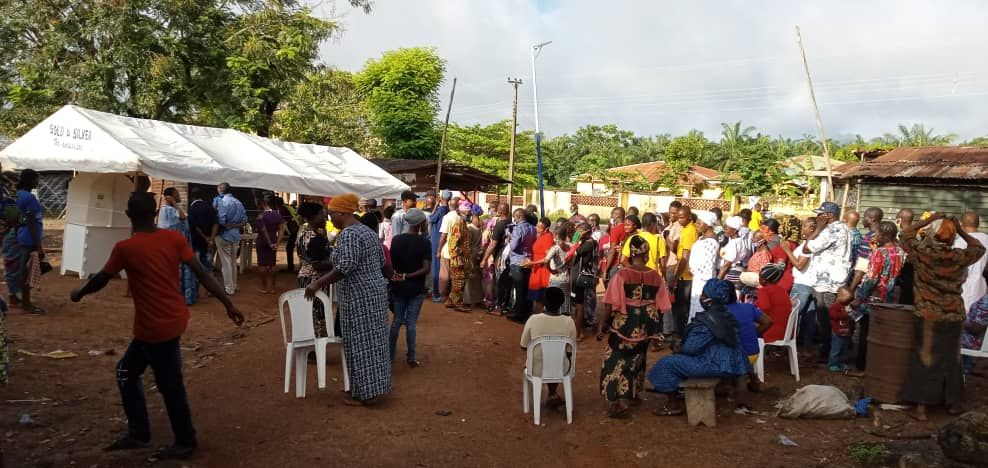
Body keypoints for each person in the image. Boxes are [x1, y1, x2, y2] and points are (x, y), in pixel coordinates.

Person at [70, 192, 244, 461]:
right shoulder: (173, 239)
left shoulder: (125, 249)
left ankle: (182, 440)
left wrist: (79, 293)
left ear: (128, 215)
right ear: (155, 213)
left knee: (166, 383)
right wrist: (227, 304)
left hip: (155, 326)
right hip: (171, 319)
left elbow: (102, 279)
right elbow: (202, 273)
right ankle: (142, 433)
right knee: (129, 371)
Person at [305, 194, 393, 406]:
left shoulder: (350, 234)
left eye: (332, 214)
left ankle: (365, 394)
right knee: (375, 343)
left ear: (342, 213)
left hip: (359, 297)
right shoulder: (368, 232)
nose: (330, 219)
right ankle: (372, 389)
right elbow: (384, 264)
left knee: (359, 344)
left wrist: (317, 283)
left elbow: (344, 267)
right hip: (374, 294)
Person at [900, 214, 984, 420]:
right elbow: (978, 247)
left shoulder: (923, 253)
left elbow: (905, 234)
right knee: (951, 358)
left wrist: (930, 219)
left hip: (928, 315)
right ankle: (954, 404)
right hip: (954, 314)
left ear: (933, 234)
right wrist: (960, 229)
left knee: (925, 358)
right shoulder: (958, 256)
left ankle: (921, 408)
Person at [646, 279, 750, 417]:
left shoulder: (708, 321)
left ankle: (672, 405)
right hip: (733, 363)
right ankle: (678, 389)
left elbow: (690, 348)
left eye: (704, 295)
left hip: (716, 365)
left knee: (666, 364)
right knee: (680, 360)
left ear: (711, 298)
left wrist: (678, 346)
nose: (702, 297)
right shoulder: (726, 315)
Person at [598, 235, 671, 418]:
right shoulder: (655, 276)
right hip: (648, 321)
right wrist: (655, 326)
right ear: (647, 254)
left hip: (626, 321)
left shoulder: (622, 274)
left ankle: (617, 400)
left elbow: (609, 303)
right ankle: (630, 395)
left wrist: (603, 324)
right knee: (638, 357)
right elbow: (663, 304)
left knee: (615, 358)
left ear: (630, 253)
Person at [802, 201, 853, 363]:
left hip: (826, 283)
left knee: (827, 320)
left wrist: (817, 229)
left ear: (829, 216)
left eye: (820, 215)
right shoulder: (845, 228)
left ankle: (829, 354)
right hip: (836, 280)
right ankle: (833, 351)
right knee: (833, 319)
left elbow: (806, 248)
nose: (817, 217)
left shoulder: (830, 230)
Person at [851, 221, 905, 371]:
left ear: (884, 235)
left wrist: (859, 297)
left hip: (874, 299)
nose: (875, 236)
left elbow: (872, 279)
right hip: (890, 298)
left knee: (866, 334)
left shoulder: (880, 253)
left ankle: (862, 367)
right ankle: (880, 365)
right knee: (883, 334)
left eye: (878, 233)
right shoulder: (901, 251)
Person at [520, 287, 576, 412]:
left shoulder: (533, 319)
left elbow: (523, 346)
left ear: (544, 302)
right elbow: (570, 350)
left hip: (537, 369)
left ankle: (552, 394)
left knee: (542, 358)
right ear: (562, 302)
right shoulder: (569, 322)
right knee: (557, 358)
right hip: (561, 369)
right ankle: (552, 393)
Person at [389, 208, 431, 367]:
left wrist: (400, 276)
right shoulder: (424, 242)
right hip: (416, 287)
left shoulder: (396, 240)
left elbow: (391, 264)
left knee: (396, 321)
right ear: (420, 224)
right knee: (411, 324)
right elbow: (426, 268)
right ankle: (411, 358)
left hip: (398, 286)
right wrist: (409, 275)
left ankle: (390, 356)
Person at [295, 202, 334, 337]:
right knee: (318, 312)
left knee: (307, 311)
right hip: (316, 278)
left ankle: (307, 342)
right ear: (312, 217)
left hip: (303, 276)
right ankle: (317, 345)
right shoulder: (316, 239)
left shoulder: (302, 233)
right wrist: (336, 265)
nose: (325, 219)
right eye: (322, 217)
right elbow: (317, 265)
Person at [778, 217, 818, 346]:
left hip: (802, 284)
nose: (802, 229)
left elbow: (800, 265)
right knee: (809, 317)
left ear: (812, 228)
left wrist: (787, 250)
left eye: (805, 226)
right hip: (809, 284)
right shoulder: (813, 243)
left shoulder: (809, 245)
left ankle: (782, 344)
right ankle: (806, 346)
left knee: (790, 316)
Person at [725, 284, 773, 392]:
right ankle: (753, 379)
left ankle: (739, 398)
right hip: (753, 354)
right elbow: (768, 321)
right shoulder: (747, 307)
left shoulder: (720, 312)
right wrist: (753, 333)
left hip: (735, 357)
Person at [157, 188, 197, 305]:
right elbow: (180, 220)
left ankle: (184, 297)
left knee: (183, 272)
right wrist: (174, 203)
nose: (179, 196)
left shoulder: (174, 209)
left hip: (181, 247)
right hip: (172, 248)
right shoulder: (166, 210)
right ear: (171, 197)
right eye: (176, 194)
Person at [670, 206, 699, 336]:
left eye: (682, 217)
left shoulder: (689, 231)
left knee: (681, 308)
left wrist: (676, 277)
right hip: (684, 273)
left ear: (689, 217)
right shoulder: (686, 229)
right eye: (678, 217)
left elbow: (685, 257)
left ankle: (680, 336)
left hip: (685, 275)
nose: (679, 220)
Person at [214, 183, 247, 296]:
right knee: (233, 262)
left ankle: (229, 288)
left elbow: (221, 220)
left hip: (224, 235)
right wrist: (234, 226)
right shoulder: (238, 202)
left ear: (220, 190)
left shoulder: (222, 202)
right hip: (235, 235)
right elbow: (244, 220)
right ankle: (233, 285)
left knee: (226, 263)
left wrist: (227, 225)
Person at [688, 211, 721, 323]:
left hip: (703, 282)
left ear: (707, 224)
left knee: (701, 309)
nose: (696, 225)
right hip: (697, 280)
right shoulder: (702, 238)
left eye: (699, 223)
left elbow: (707, 267)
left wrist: (693, 269)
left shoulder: (711, 242)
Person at [568, 222, 598, 340]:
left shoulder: (589, 244)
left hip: (580, 278)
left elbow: (572, 252)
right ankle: (578, 330)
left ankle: (579, 333)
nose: (577, 233)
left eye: (579, 231)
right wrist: (578, 238)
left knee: (579, 304)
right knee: (577, 304)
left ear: (586, 232)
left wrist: (577, 239)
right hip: (577, 276)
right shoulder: (586, 242)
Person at [506, 208, 537, 323]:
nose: (514, 220)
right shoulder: (533, 228)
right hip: (528, 261)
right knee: (526, 288)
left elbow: (513, 246)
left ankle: (519, 314)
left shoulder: (518, 229)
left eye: (515, 217)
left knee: (519, 289)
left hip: (517, 261)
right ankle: (527, 313)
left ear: (518, 217)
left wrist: (510, 239)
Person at [955, 212, 988, 313]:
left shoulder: (959, 242)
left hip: (963, 289)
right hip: (982, 289)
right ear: (978, 224)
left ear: (961, 224)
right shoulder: (986, 239)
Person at [482, 203, 512, 315]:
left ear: (499, 212)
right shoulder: (512, 223)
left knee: (500, 282)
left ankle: (498, 308)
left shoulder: (499, 225)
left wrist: (484, 259)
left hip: (500, 257)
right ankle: (506, 306)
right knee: (507, 282)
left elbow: (493, 244)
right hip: (510, 256)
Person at [444, 201, 473, 312]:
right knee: (459, 282)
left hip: (461, 258)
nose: (470, 211)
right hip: (458, 259)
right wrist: (458, 255)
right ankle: (458, 303)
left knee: (459, 281)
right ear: (462, 211)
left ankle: (451, 301)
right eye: (468, 209)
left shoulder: (462, 223)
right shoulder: (459, 223)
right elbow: (452, 243)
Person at [187, 189, 218, 290]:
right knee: (208, 266)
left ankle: (198, 289)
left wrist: (205, 238)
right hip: (208, 242)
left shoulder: (192, 208)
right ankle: (212, 288)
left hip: (196, 241)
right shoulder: (210, 207)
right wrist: (211, 239)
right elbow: (216, 224)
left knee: (197, 266)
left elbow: (194, 226)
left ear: (192, 197)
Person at [525, 217, 555, 314]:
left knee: (540, 299)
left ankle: (539, 319)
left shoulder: (548, 238)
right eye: (537, 226)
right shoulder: (542, 236)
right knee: (537, 299)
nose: (537, 229)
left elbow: (548, 258)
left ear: (546, 229)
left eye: (540, 227)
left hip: (543, 272)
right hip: (537, 270)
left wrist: (531, 263)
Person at [850, 208, 884, 291]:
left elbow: (862, 265)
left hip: (864, 284)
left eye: (865, 217)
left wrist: (851, 289)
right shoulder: (880, 236)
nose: (863, 220)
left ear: (872, 219)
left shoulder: (871, 238)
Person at [255, 196, 284, 294]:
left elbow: (263, 231)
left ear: (263, 205)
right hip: (274, 239)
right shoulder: (277, 215)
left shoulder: (261, 216)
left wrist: (269, 242)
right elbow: (281, 229)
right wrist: (277, 243)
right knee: (272, 264)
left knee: (262, 264)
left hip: (262, 241)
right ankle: (272, 287)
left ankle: (264, 287)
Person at [436, 197, 461, 303]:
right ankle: (454, 297)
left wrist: (438, 250)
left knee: (444, 274)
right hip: (457, 249)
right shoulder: (461, 218)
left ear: (450, 206)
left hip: (447, 249)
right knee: (455, 274)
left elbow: (443, 235)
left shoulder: (447, 217)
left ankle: (442, 296)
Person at [756, 264, 790, 343]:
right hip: (786, 331)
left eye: (759, 277)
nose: (758, 279)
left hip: (771, 331)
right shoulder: (782, 290)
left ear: (764, 280)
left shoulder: (764, 291)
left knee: (744, 325)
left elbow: (764, 308)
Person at [428, 191, 451, 302]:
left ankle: (436, 293)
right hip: (443, 241)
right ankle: (442, 292)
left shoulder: (441, 209)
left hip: (437, 240)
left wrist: (436, 205)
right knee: (443, 268)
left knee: (436, 268)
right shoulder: (448, 209)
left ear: (441, 198)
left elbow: (431, 219)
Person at [544, 227, 572, 316]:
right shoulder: (570, 246)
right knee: (564, 301)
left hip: (555, 278)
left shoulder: (555, 248)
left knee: (552, 302)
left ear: (557, 236)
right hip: (566, 278)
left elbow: (546, 261)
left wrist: (551, 270)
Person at [718, 216, 752, 288]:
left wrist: (716, 283)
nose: (725, 231)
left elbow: (726, 266)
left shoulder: (733, 244)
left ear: (734, 230)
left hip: (731, 274)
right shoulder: (740, 241)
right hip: (737, 273)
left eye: (726, 229)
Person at [828, 287, 855, 372]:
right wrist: (846, 314)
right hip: (837, 332)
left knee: (844, 350)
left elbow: (851, 318)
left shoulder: (847, 306)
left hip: (846, 332)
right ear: (839, 297)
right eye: (847, 300)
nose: (848, 302)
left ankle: (842, 363)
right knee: (836, 349)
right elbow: (833, 316)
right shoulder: (835, 306)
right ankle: (833, 364)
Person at [463, 206, 485, 308]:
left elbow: (468, 244)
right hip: (478, 254)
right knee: (477, 277)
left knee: (469, 278)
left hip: (471, 254)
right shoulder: (480, 226)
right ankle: (478, 298)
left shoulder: (470, 227)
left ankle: (468, 300)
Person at [962, 293, 988, 375]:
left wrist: (958, 321)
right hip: (968, 344)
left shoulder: (986, 302)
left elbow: (976, 328)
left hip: (970, 347)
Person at [278, 197, 300, 273]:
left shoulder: (282, 208)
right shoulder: (287, 206)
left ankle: (291, 267)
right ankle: (291, 266)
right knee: (292, 248)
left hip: (294, 229)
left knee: (290, 248)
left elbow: (284, 221)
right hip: (296, 227)